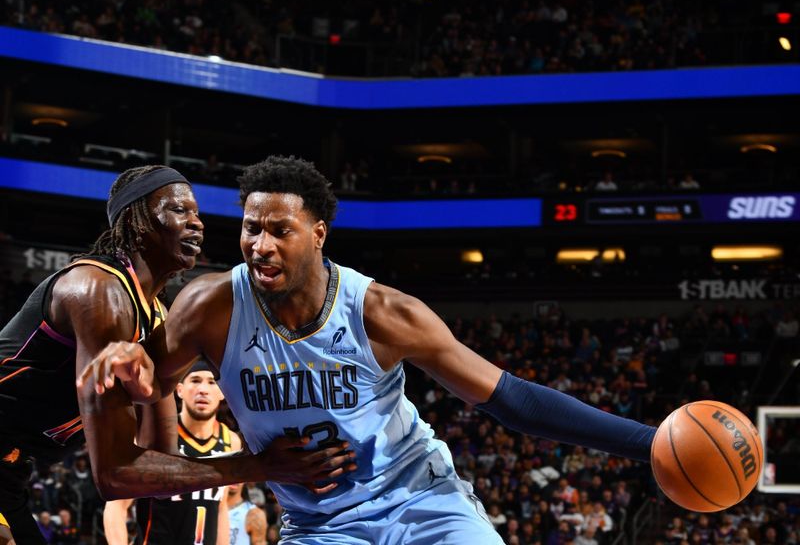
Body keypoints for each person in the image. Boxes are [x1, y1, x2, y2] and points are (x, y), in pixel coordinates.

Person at [83, 156, 656, 544]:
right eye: (250, 227)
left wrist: (649, 444)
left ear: (318, 234)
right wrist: (127, 360)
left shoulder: (383, 312)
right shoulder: (211, 306)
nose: (260, 245)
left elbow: (511, 401)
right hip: (318, 524)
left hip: (420, 502)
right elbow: (137, 389)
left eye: (280, 230)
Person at [0, 165, 351, 544]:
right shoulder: (98, 292)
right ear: (135, 221)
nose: (197, 223)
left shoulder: (157, 318)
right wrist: (260, 466)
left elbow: (155, 465)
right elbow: (114, 475)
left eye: (196, 213)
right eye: (178, 211)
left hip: (11, 480)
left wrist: (148, 389)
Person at [104, 362, 241, 544]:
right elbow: (116, 506)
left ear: (223, 392)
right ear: (179, 390)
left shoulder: (231, 442)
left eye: (211, 382)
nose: (203, 390)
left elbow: (222, 507)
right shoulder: (155, 436)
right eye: (195, 380)